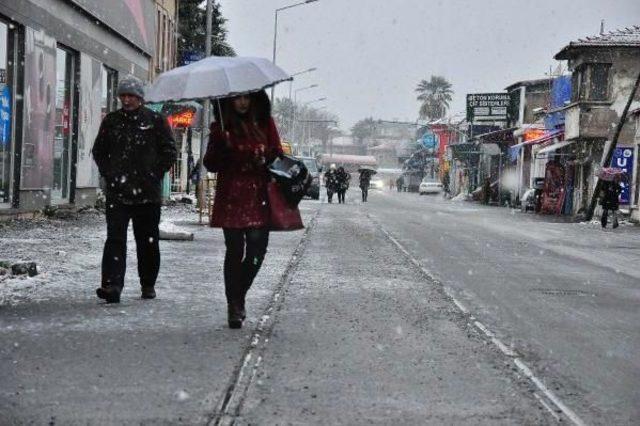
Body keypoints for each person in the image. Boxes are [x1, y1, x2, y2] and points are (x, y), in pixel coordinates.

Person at [92, 76, 177, 304]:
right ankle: (112, 285)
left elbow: (169, 151)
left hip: (147, 194)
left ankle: (147, 283)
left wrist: (153, 174)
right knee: (115, 240)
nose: (127, 100)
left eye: (131, 96)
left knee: (147, 240)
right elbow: (99, 151)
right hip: (118, 193)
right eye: (123, 96)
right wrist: (110, 174)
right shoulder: (112, 121)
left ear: (140, 98)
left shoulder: (155, 121)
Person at [203, 90, 283, 329]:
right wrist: (221, 144)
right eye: (237, 98)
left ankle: (238, 295)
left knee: (258, 253)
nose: (242, 102)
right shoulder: (221, 127)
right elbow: (211, 163)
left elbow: (277, 154)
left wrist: (265, 156)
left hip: (259, 195)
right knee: (234, 251)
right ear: (229, 100)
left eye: (247, 97)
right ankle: (234, 306)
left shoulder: (265, 123)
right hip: (232, 197)